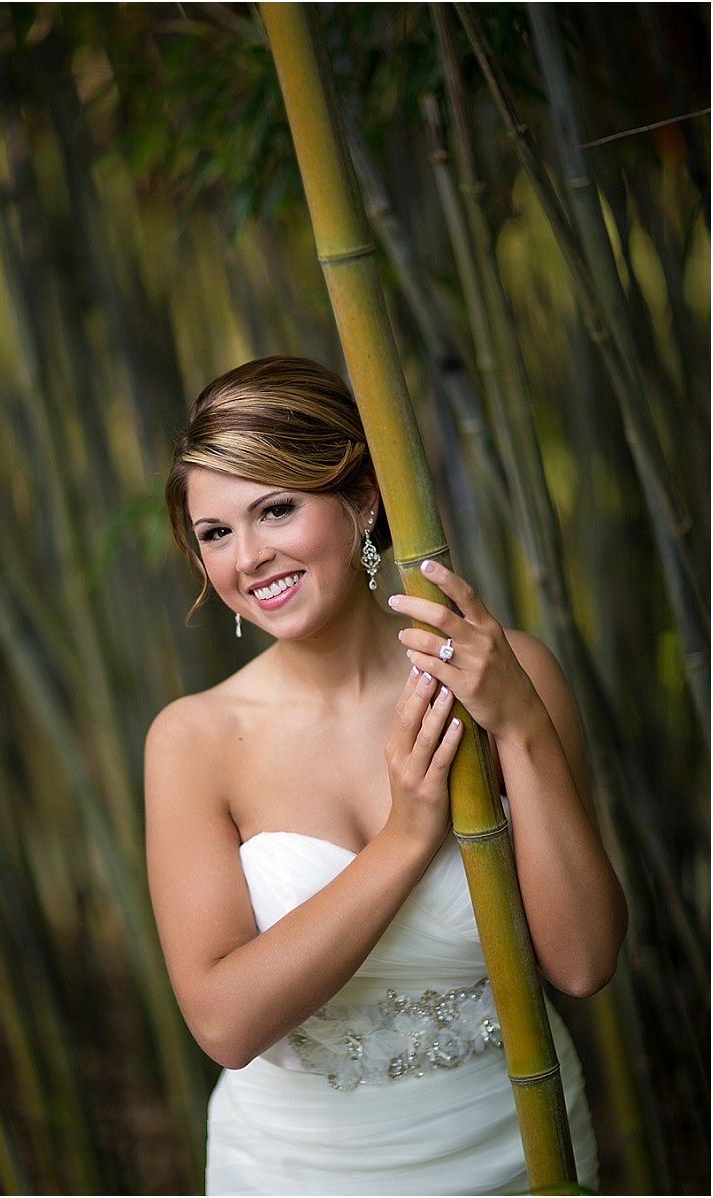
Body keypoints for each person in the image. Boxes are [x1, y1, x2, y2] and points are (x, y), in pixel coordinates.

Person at [145, 355, 627, 1196]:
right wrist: (407, 838)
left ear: (363, 499)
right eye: (216, 532)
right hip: (295, 1169)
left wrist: (517, 721)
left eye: (276, 510)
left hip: (519, 1148)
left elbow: (585, 961)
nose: (249, 557)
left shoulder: (509, 677)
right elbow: (223, 1024)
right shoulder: (195, 740)